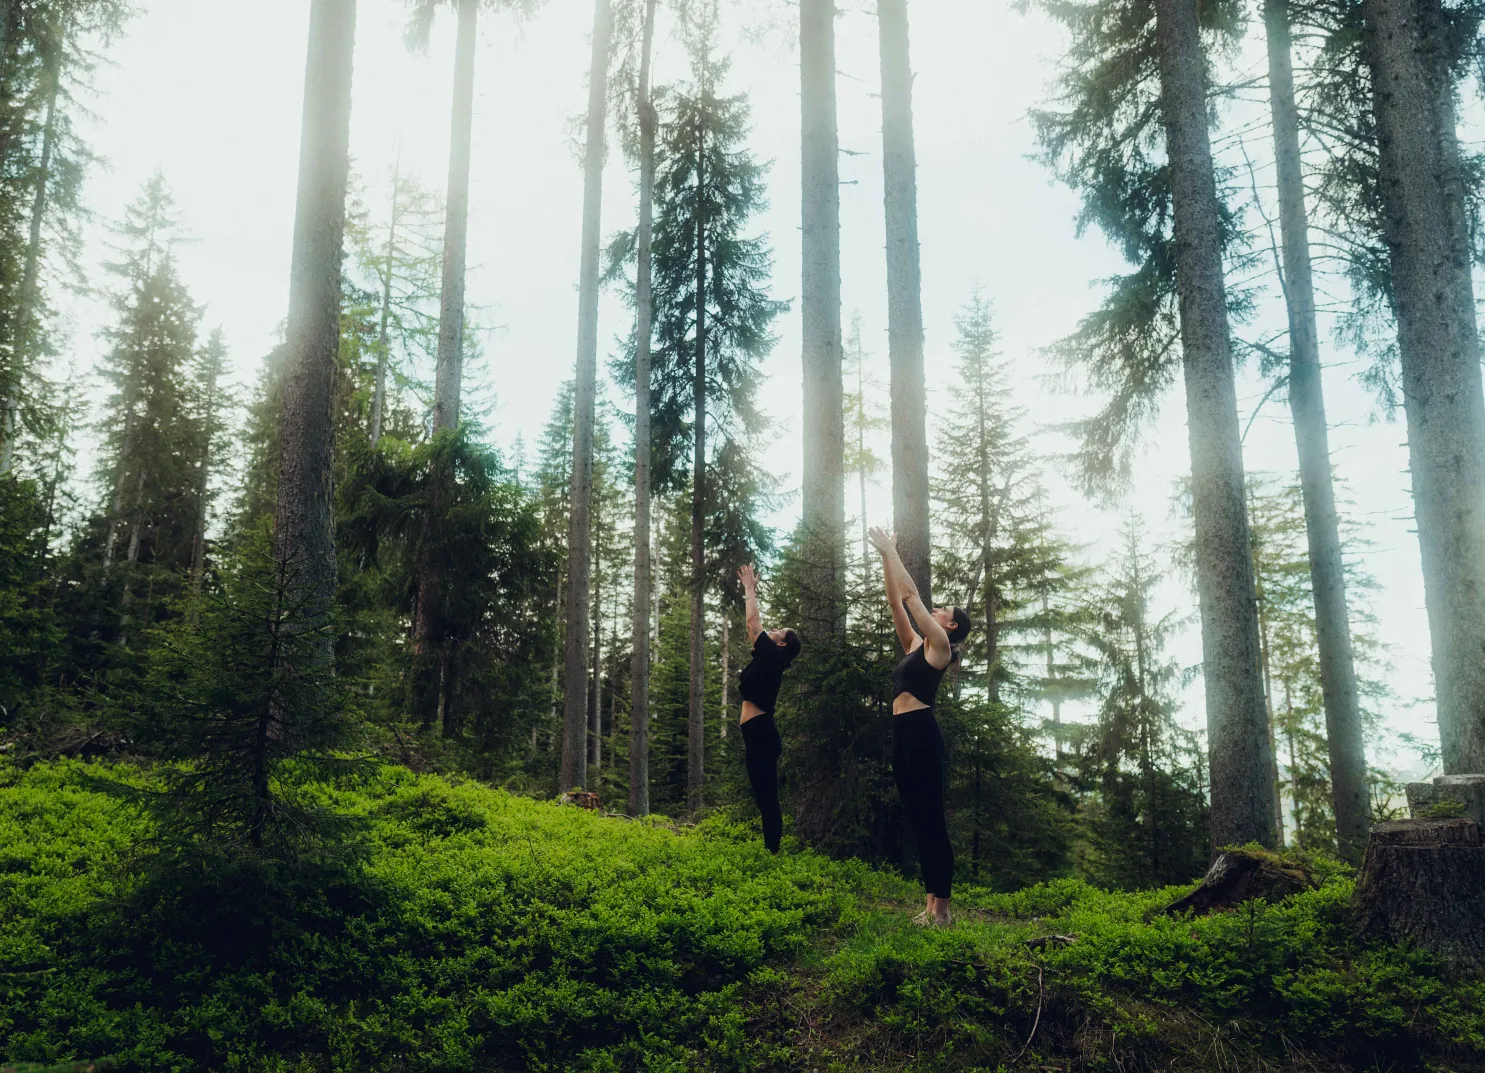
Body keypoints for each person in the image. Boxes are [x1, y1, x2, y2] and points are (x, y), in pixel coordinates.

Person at [868, 525, 971, 927]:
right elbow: (897, 601)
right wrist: (884, 558)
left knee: (932, 819)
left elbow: (912, 597)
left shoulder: (940, 648)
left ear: (949, 627)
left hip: (924, 737)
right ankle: (930, 905)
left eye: (944, 612)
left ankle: (943, 911)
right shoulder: (915, 645)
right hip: (901, 737)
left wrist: (893, 552)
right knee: (917, 817)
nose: (939, 609)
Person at [736, 563, 801, 853]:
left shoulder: (774, 657)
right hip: (756, 733)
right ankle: (771, 849)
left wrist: (750, 589)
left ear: (782, 643)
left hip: (761, 734)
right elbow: (752, 629)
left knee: (767, 796)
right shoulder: (768, 657)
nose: (770, 630)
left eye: (777, 630)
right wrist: (750, 591)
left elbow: (754, 620)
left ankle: (772, 852)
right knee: (763, 795)